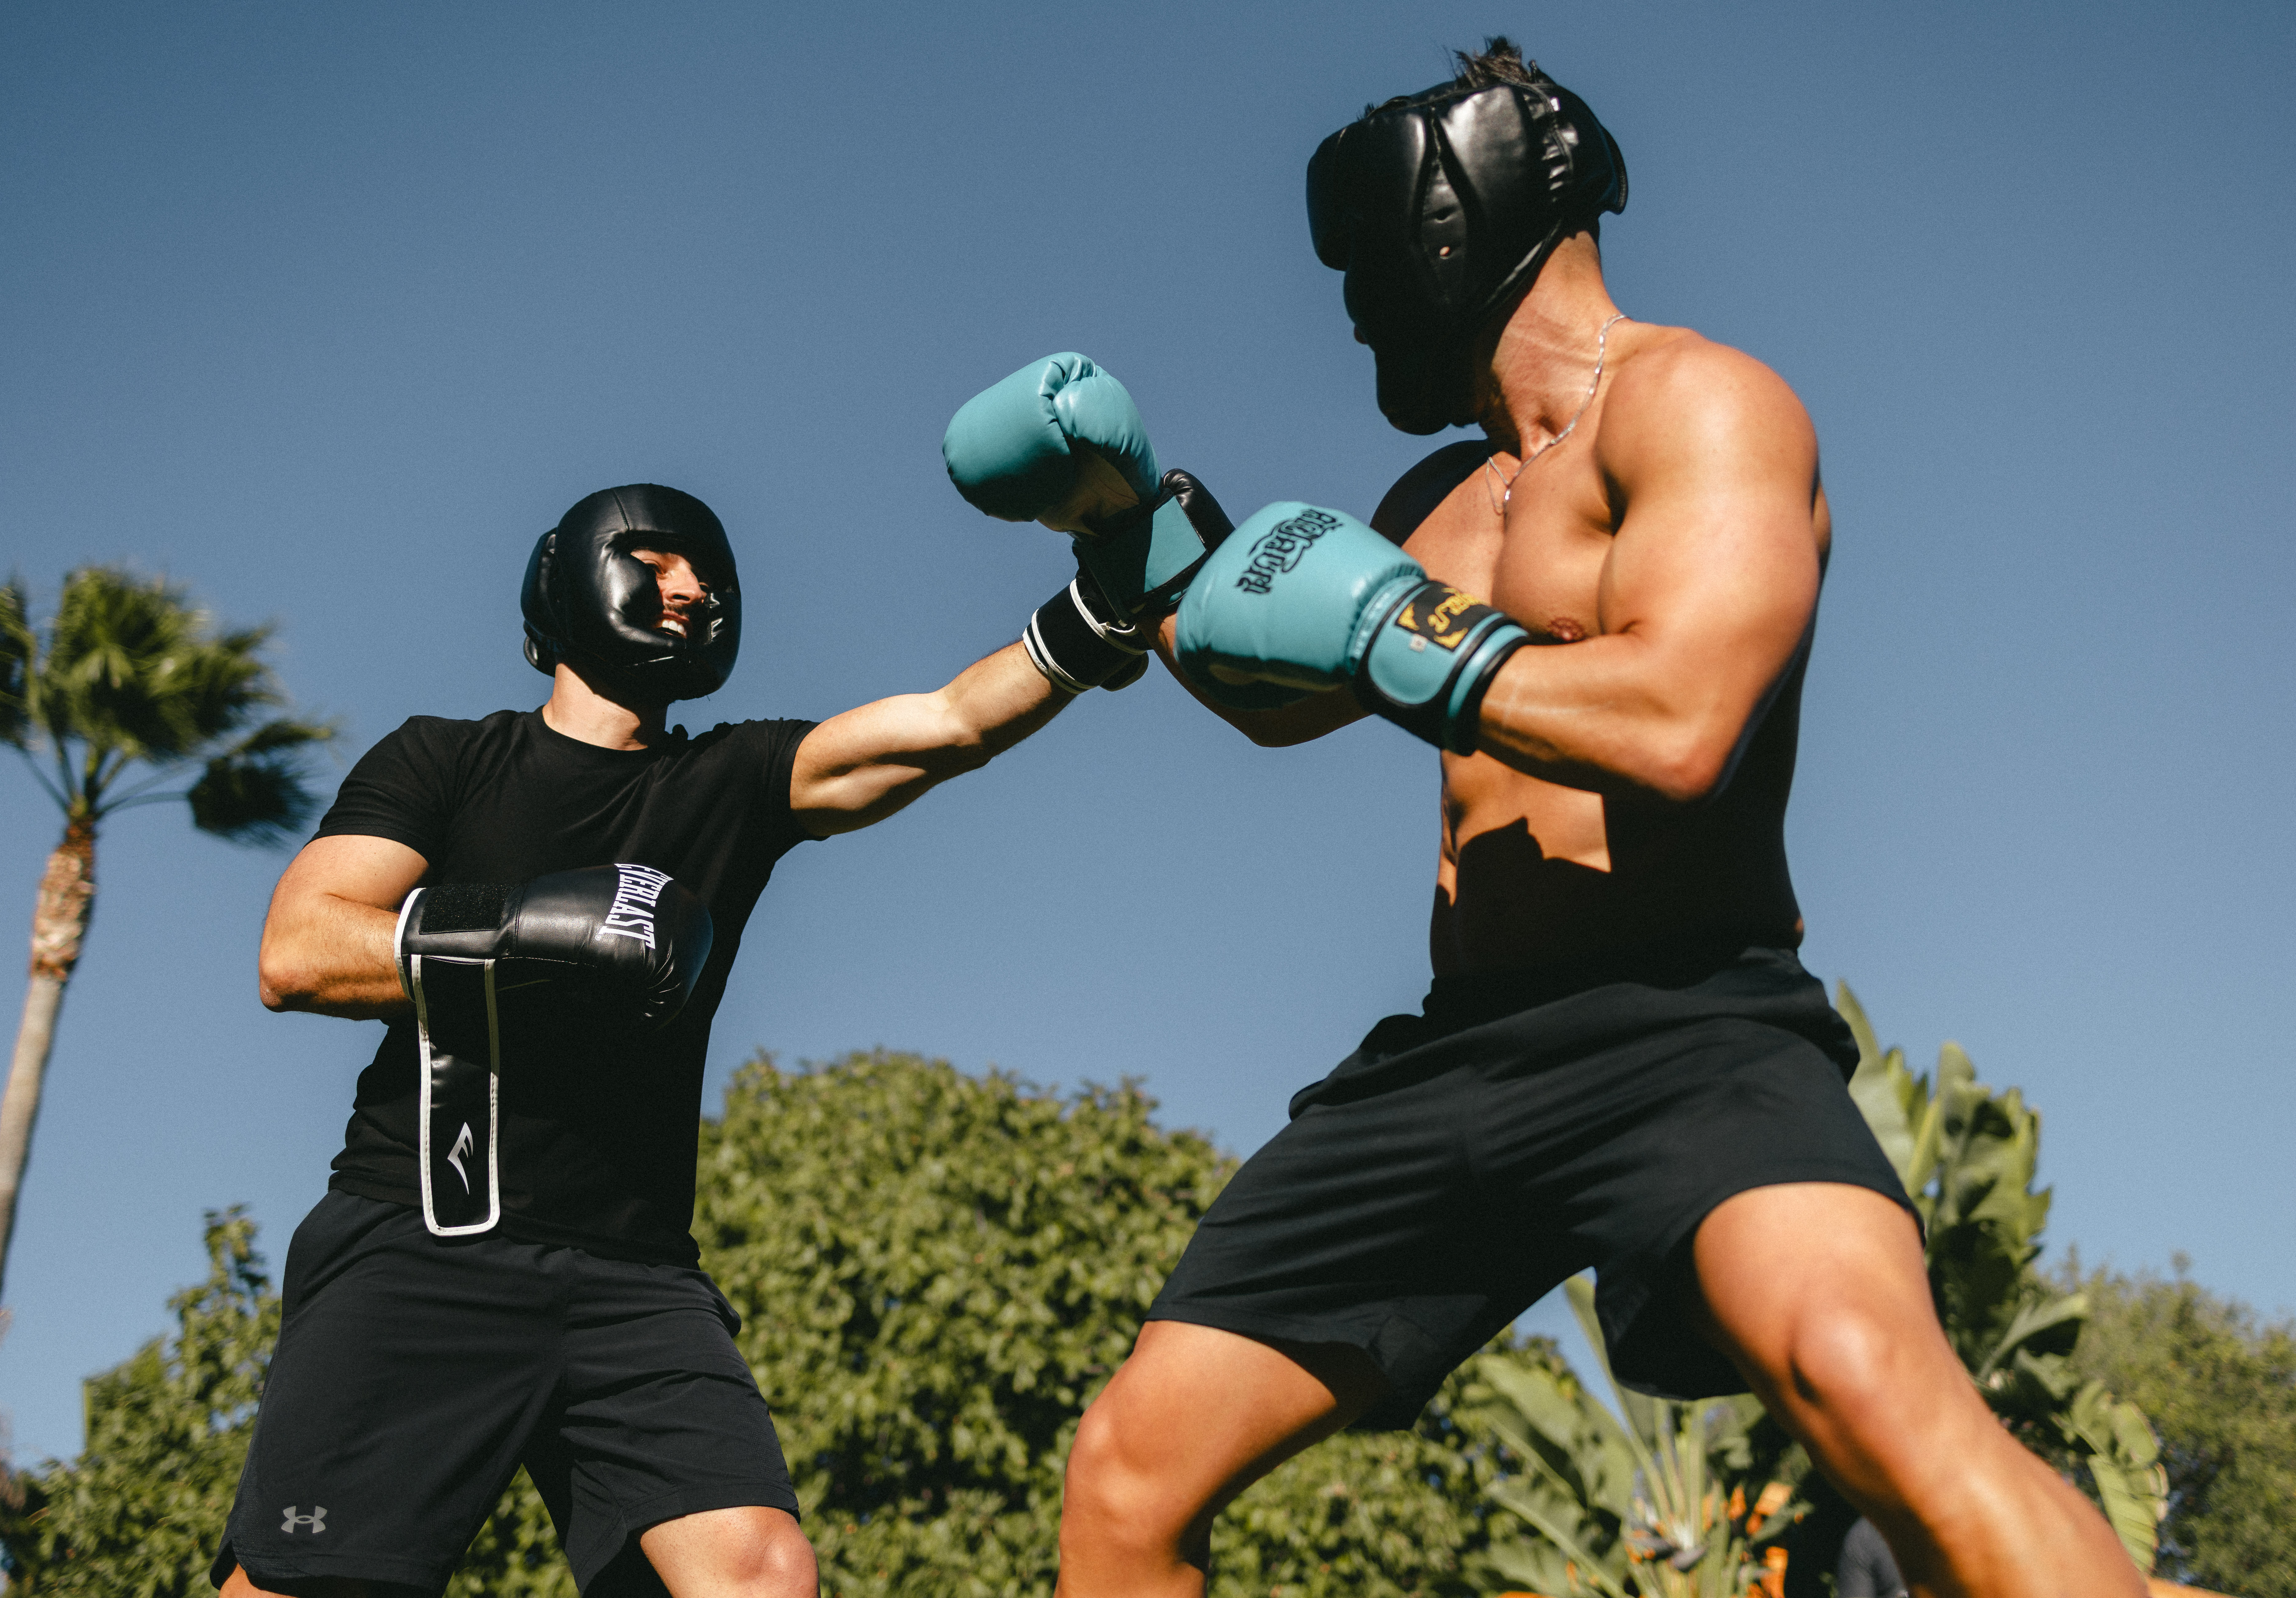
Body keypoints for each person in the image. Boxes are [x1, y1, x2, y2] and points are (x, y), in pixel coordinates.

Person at [942, 38, 2146, 1598]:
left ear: (1453, 214)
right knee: (1126, 1479)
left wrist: (1405, 637)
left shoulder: (1702, 405)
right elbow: (1275, 689)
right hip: (1456, 1057)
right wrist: (1137, 534)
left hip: (1685, 1032)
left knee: (1869, 1387)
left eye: (1365, 258)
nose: (1355, 301)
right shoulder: (1436, 502)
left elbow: (1676, 724)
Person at [214, 483, 1145, 1597]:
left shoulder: (733, 780)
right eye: (659, 561)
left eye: (709, 574)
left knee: (760, 1575)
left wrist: (1101, 612)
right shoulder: (446, 761)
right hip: (426, 1237)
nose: (695, 589)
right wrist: (525, 933)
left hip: (636, 1276)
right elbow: (300, 948)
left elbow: (949, 724)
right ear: (574, 578)